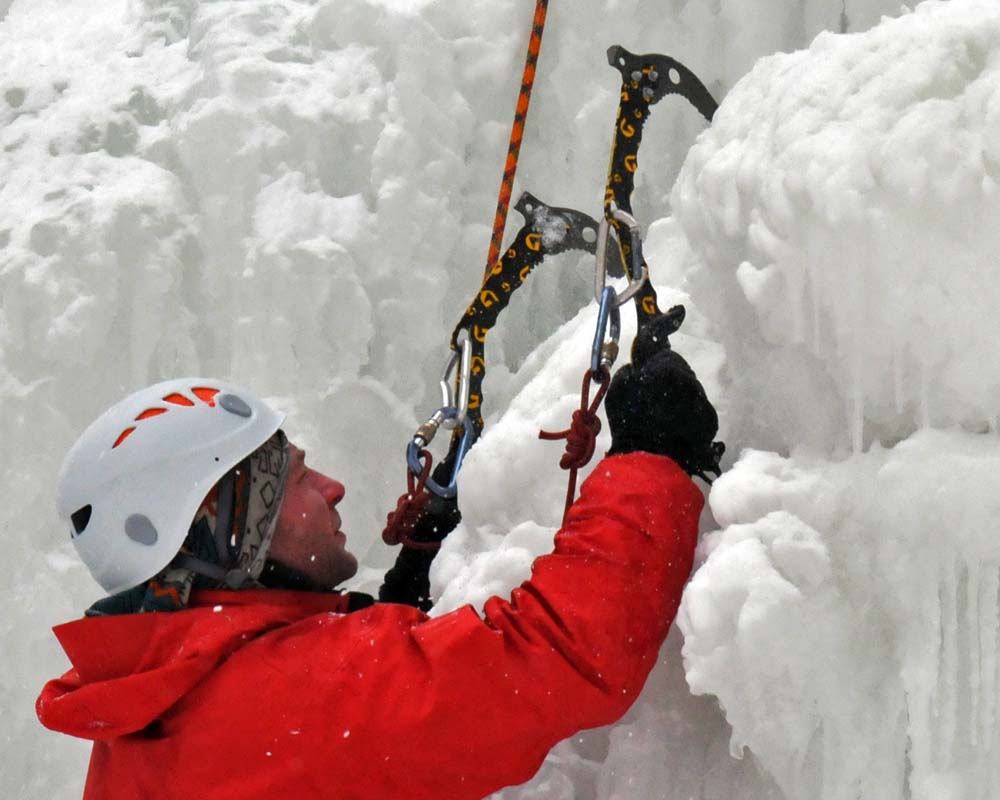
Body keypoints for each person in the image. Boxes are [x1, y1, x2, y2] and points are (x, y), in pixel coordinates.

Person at [37, 313, 723, 800]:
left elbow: (324, 738)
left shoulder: (154, 713)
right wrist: (652, 457)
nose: (332, 487)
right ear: (228, 532)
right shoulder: (291, 701)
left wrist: (405, 590)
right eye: (297, 480)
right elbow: (562, 654)